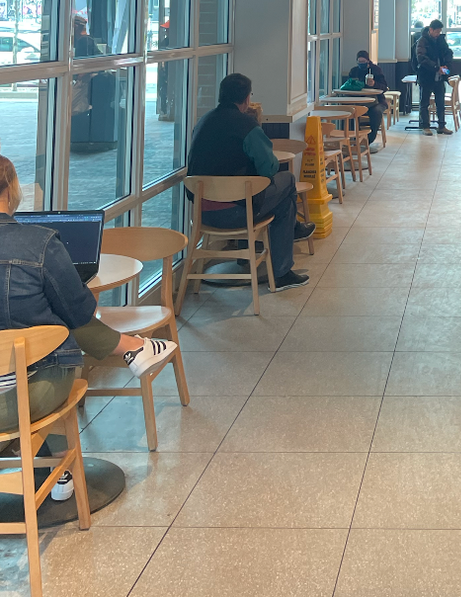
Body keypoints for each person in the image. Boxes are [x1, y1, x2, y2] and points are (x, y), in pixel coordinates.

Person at [0, 156, 178, 500]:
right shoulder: (40, 244)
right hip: (25, 398)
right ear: (10, 189)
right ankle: (133, 348)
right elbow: (82, 312)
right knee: (61, 324)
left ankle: (54, 469)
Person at [186, 72, 314, 290]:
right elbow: (270, 168)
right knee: (287, 183)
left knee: (275, 197)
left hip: (201, 211)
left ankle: (275, 241)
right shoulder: (247, 126)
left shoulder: (204, 121)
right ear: (247, 99)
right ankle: (282, 270)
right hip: (236, 212)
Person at [415, 19, 454, 136]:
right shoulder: (422, 41)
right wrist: (437, 67)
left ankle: (441, 125)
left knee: (440, 102)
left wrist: (446, 65)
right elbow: (422, 58)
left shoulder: (441, 40)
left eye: (439, 31)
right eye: (436, 31)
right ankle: (425, 126)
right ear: (430, 30)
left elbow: (448, 52)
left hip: (440, 77)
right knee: (424, 103)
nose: (438, 34)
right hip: (426, 76)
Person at [348, 50, 387, 152]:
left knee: (376, 112)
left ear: (368, 61)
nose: (361, 64)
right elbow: (348, 85)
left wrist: (374, 84)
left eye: (363, 61)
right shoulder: (354, 71)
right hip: (358, 101)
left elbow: (384, 87)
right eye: (359, 62)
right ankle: (352, 139)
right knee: (351, 111)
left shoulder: (376, 70)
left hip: (377, 101)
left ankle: (369, 139)